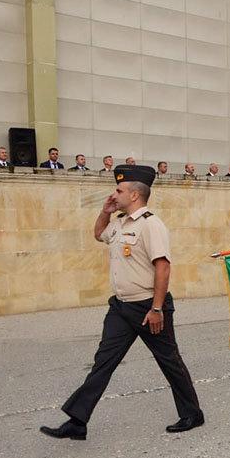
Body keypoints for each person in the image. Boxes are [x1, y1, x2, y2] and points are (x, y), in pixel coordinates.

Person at [39, 165, 204, 440]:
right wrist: (105, 211)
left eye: (118, 190)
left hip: (148, 306)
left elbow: (163, 267)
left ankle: (193, 413)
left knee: (169, 360)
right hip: (120, 307)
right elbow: (98, 234)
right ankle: (78, 421)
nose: (114, 195)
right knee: (103, 362)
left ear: (135, 195)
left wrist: (157, 308)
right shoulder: (119, 222)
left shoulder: (151, 224)